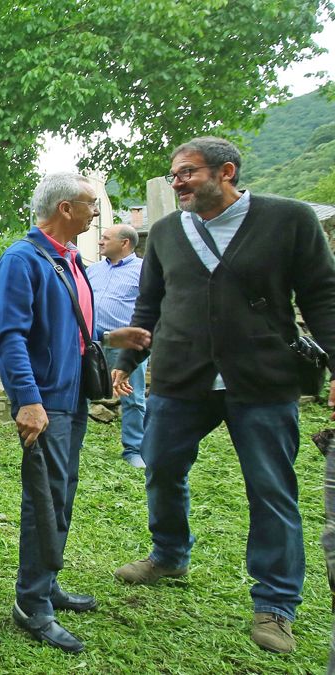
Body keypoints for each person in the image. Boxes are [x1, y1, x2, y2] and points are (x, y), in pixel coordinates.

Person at [111, 136, 335, 654]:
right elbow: (149, 306)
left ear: (226, 172)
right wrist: (127, 362)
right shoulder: (166, 232)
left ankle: (276, 605)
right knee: (161, 465)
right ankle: (169, 554)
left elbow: (323, 295)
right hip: (182, 377)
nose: (178, 183)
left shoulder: (290, 220)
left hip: (261, 379)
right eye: (174, 175)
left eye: (187, 173)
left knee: (270, 489)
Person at [0, 172, 150, 653]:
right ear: (65, 208)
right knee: (44, 499)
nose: (95, 212)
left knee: (61, 495)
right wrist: (29, 400)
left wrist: (110, 338)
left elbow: (71, 330)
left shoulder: (69, 260)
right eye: (89, 204)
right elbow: (11, 337)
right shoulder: (24, 259)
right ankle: (30, 603)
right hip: (47, 402)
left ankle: (47, 583)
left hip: (72, 397)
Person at [86, 224, 147, 468]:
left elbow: (150, 308)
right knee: (81, 392)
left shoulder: (144, 270)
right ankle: (73, 443)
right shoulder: (93, 270)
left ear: (124, 243)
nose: (100, 242)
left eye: (105, 238)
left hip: (125, 344)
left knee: (132, 396)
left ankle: (134, 450)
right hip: (92, 343)